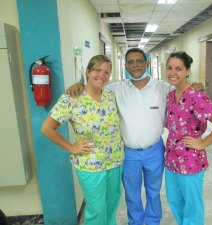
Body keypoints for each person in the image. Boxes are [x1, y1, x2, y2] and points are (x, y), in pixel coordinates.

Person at [67, 48, 204, 225]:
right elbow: (94, 86)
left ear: (147, 64)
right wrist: (78, 85)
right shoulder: (115, 89)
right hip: (128, 153)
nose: (135, 64)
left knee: (153, 192)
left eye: (139, 60)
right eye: (131, 62)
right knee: (132, 194)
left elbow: (183, 88)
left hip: (154, 150)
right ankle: (136, 222)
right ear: (125, 66)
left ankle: (153, 221)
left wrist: (197, 85)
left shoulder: (163, 88)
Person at [41, 55, 124, 225]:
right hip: (90, 164)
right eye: (97, 70)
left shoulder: (110, 96)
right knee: (97, 210)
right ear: (88, 71)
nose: (102, 75)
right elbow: (47, 129)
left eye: (107, 72)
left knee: (111, 206)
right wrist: (72, 147)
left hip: (115, 161)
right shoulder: (71, 98)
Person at [164, 51, 212, 225]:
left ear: (187, 70)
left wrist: (202, 143)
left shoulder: (196, 96)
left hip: (190, 161)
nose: (173, 73)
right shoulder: (171, 96)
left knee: (192, 208)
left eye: (179, 68)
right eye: (170, 68)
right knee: (175, 201)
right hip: (171, 159)